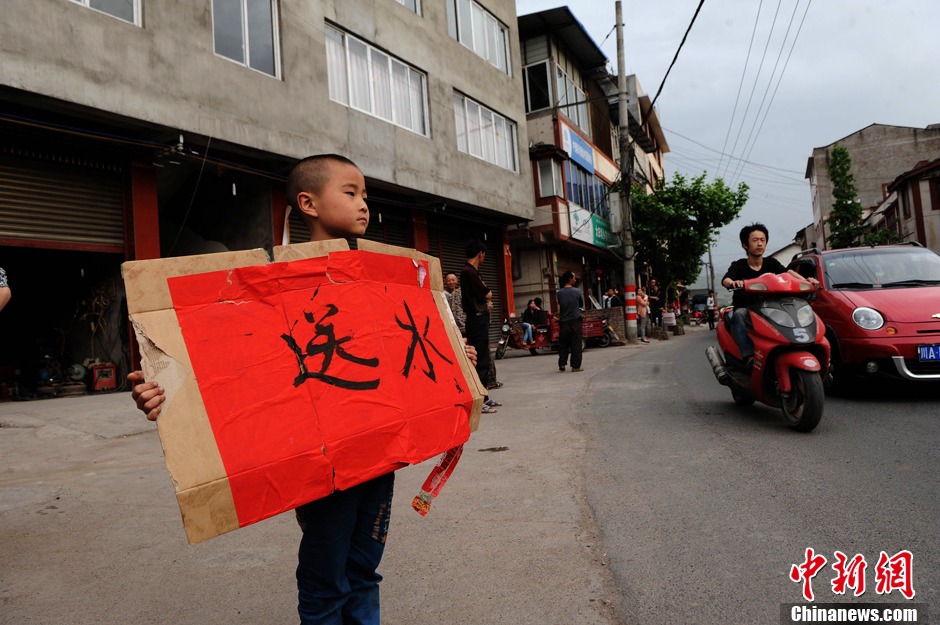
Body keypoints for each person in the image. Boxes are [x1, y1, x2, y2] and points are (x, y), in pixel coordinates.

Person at [129, 154, 476, 625]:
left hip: (379, 449)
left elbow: (404, 351)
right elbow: (232, 365)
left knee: (364, 569)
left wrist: (456, 360)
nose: (363, 205)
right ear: (307, 203)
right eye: (350, 193)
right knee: (326, 578)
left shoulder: (379, 277)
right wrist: (164, 390)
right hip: (322, 460)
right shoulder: (266, 286)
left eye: (366, 196)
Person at [721, 222, 817, 367]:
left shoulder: (771, 263)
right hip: (748, 309)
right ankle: (749, 357)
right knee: (739, 314)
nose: (759, 244)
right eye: (755, 240)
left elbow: (787, 273)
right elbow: (726, 279)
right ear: (745, 245)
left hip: (770, 308)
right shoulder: (739, 265)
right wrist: (734, 283)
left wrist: (806, 281)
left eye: (762, 240)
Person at [460, 240, 499, 413]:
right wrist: (485, 290)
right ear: (480, 254)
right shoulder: (469, 272)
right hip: (476, 320)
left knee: (483, 358)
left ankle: (485, 397)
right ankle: (480, 400)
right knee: (479, 360)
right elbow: (487, 293)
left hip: (479, 318)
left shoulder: (473, 271)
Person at [556, 271, 584, 372]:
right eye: (574, 278)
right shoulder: (577, 292)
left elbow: (561, 305)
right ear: (570, 279)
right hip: (575, 321)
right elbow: (581, 304)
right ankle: (575, 366)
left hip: (563, 322)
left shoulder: (559, 293)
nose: (575, 280)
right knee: (576, 344)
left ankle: (562, 364)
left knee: (563, 344)